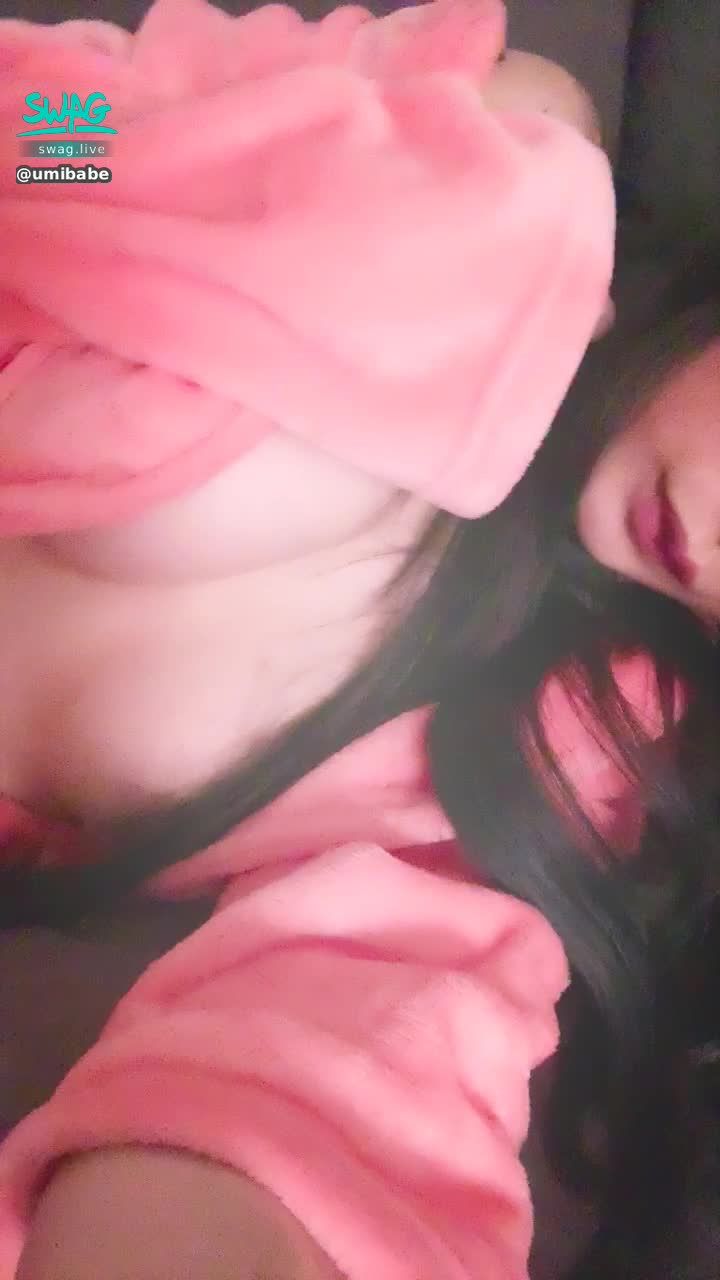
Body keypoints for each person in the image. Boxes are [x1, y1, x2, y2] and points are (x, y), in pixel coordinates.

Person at [0, 0, 638, 1275]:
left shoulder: (581, 743)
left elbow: (373, 1037)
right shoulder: (502, 156)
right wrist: (65, 147)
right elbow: (68, 114)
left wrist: (237, 1216)